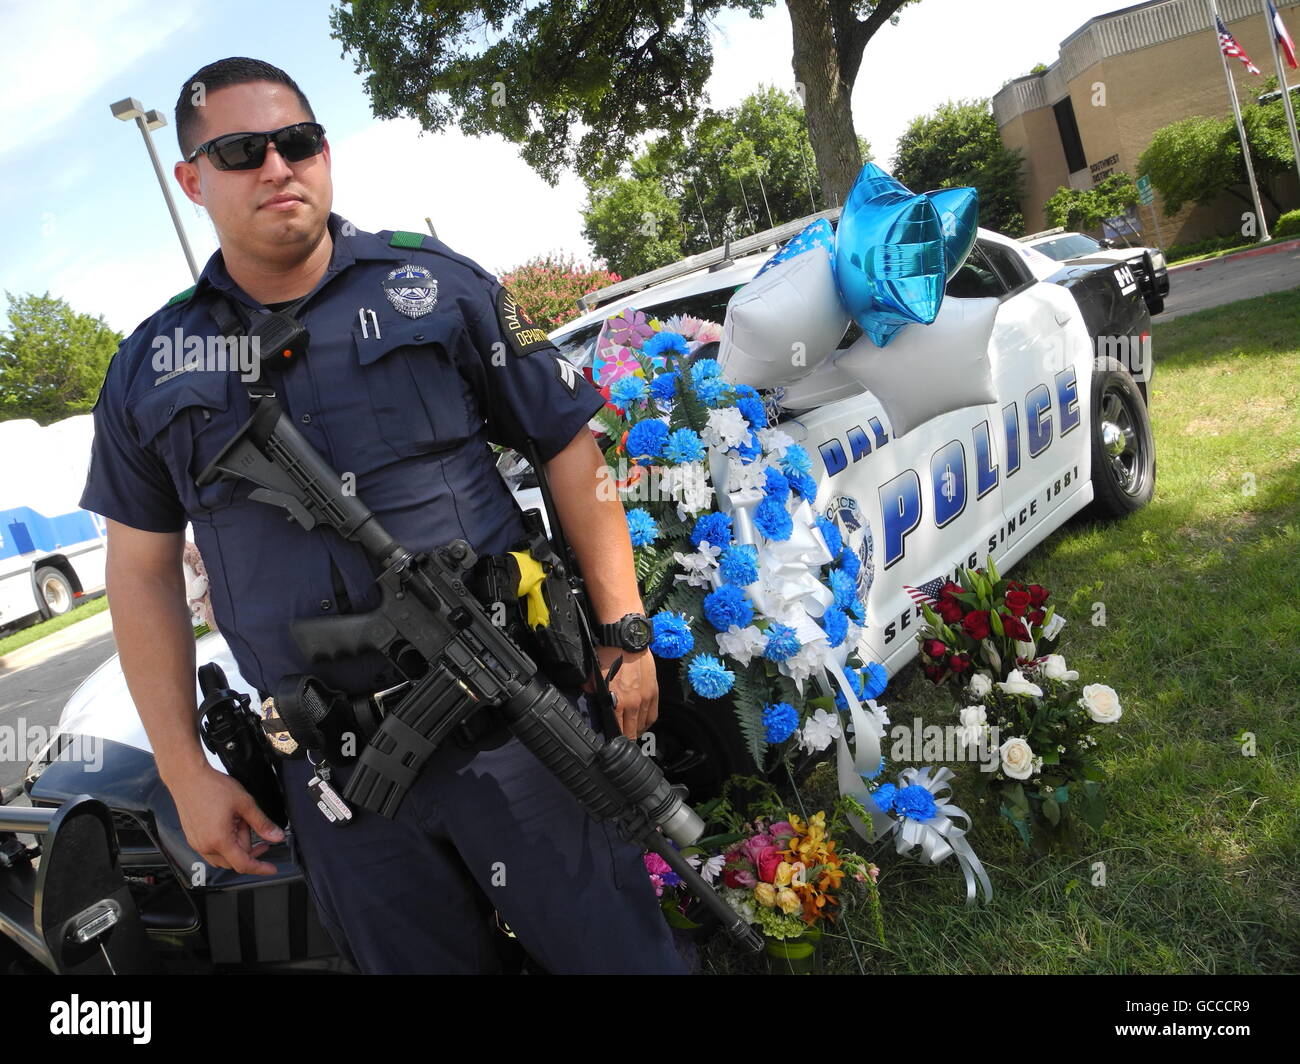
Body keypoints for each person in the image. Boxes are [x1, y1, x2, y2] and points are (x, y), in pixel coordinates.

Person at [80, 56, 687, 975]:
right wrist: (183, 769)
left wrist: (624, 629)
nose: (279, 167)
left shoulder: (435, 284)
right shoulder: (151, 365)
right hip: (336, 780)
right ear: (191, 178)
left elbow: (571, 449)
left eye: (299, 142)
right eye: (243, 151)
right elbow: (139, 574)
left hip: (511, 730)